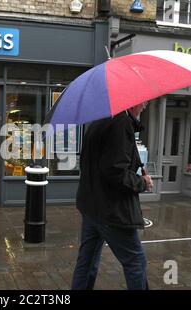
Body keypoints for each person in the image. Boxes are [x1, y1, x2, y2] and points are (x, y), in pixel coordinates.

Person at [71, 102, 153, 290]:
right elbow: (115, 171)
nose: (145, 106)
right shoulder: (120, 123)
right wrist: (142, 182)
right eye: (145, 102)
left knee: (87, 262)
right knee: (136, 261)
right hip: (111, 210)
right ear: (135, 101)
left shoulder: (100, 120)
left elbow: (94, 164)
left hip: (91, 206)